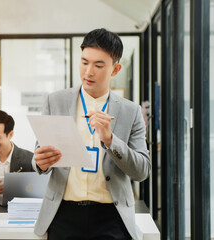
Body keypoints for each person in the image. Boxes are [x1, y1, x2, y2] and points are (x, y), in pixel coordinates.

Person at [33, 28, 151, 240]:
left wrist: (110, 140)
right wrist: (39, 162)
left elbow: (142, 171)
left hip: (111, 218)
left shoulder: (130, 111)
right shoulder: (55, 101)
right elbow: (39, 154)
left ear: (115, 70)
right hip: (63, 214)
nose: (88, 72)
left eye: (98, 65)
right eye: (84, 62)